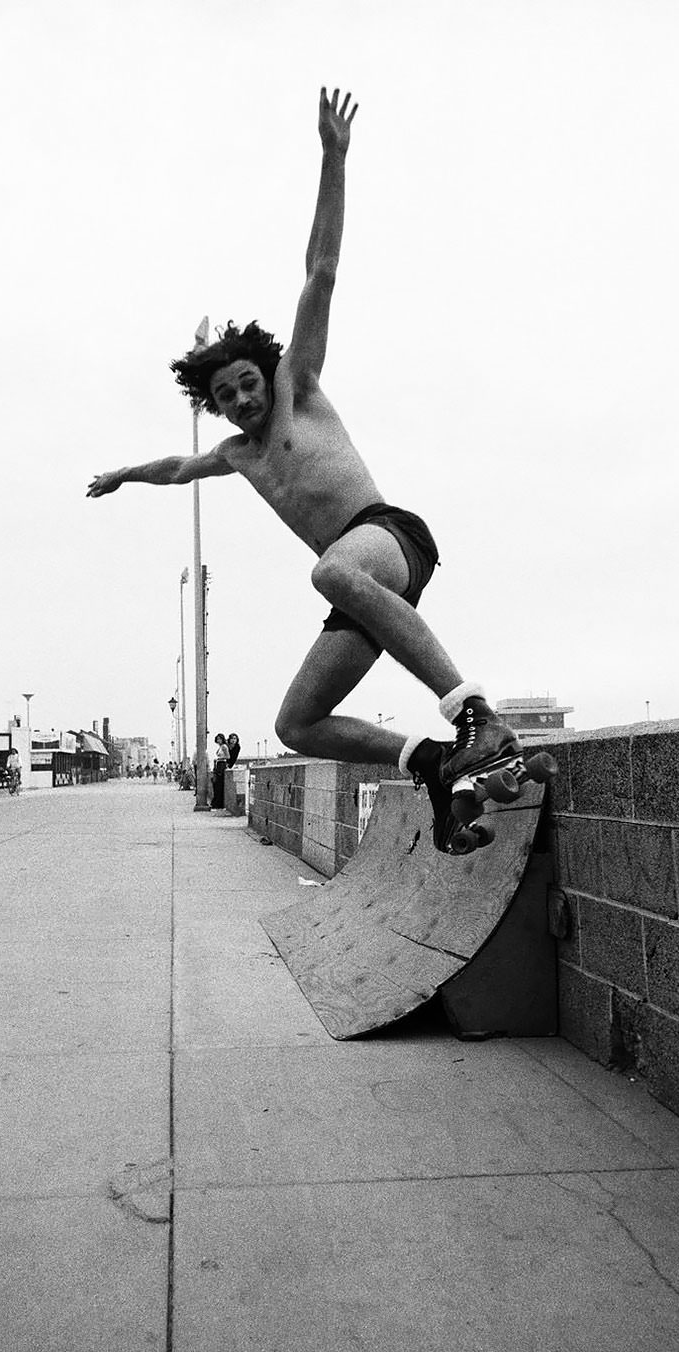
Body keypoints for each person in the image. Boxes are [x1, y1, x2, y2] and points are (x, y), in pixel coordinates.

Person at [87, 91, 526, 854]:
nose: (244, 401)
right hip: (361, 586)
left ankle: (474, 715)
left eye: (247, 384)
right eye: (227, 398)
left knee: (328, 572)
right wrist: (122, 474)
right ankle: (432, 764)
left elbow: (319, 271)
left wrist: (334, 155)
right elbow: (174, 466)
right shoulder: (232, 453)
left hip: (386, 539)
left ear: (265, 372)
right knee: (297, 723)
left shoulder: (300, 384)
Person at [211, 733, 230, 809]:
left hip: (221, 765)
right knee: (217, 785)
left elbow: (228, 756)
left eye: (220, 739)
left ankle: (219, 804)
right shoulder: (220, 747)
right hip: (218, 765)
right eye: (217, 739)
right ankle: (217, 803)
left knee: (219, 785)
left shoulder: (224, 747)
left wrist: (219, 758)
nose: (218, 740)